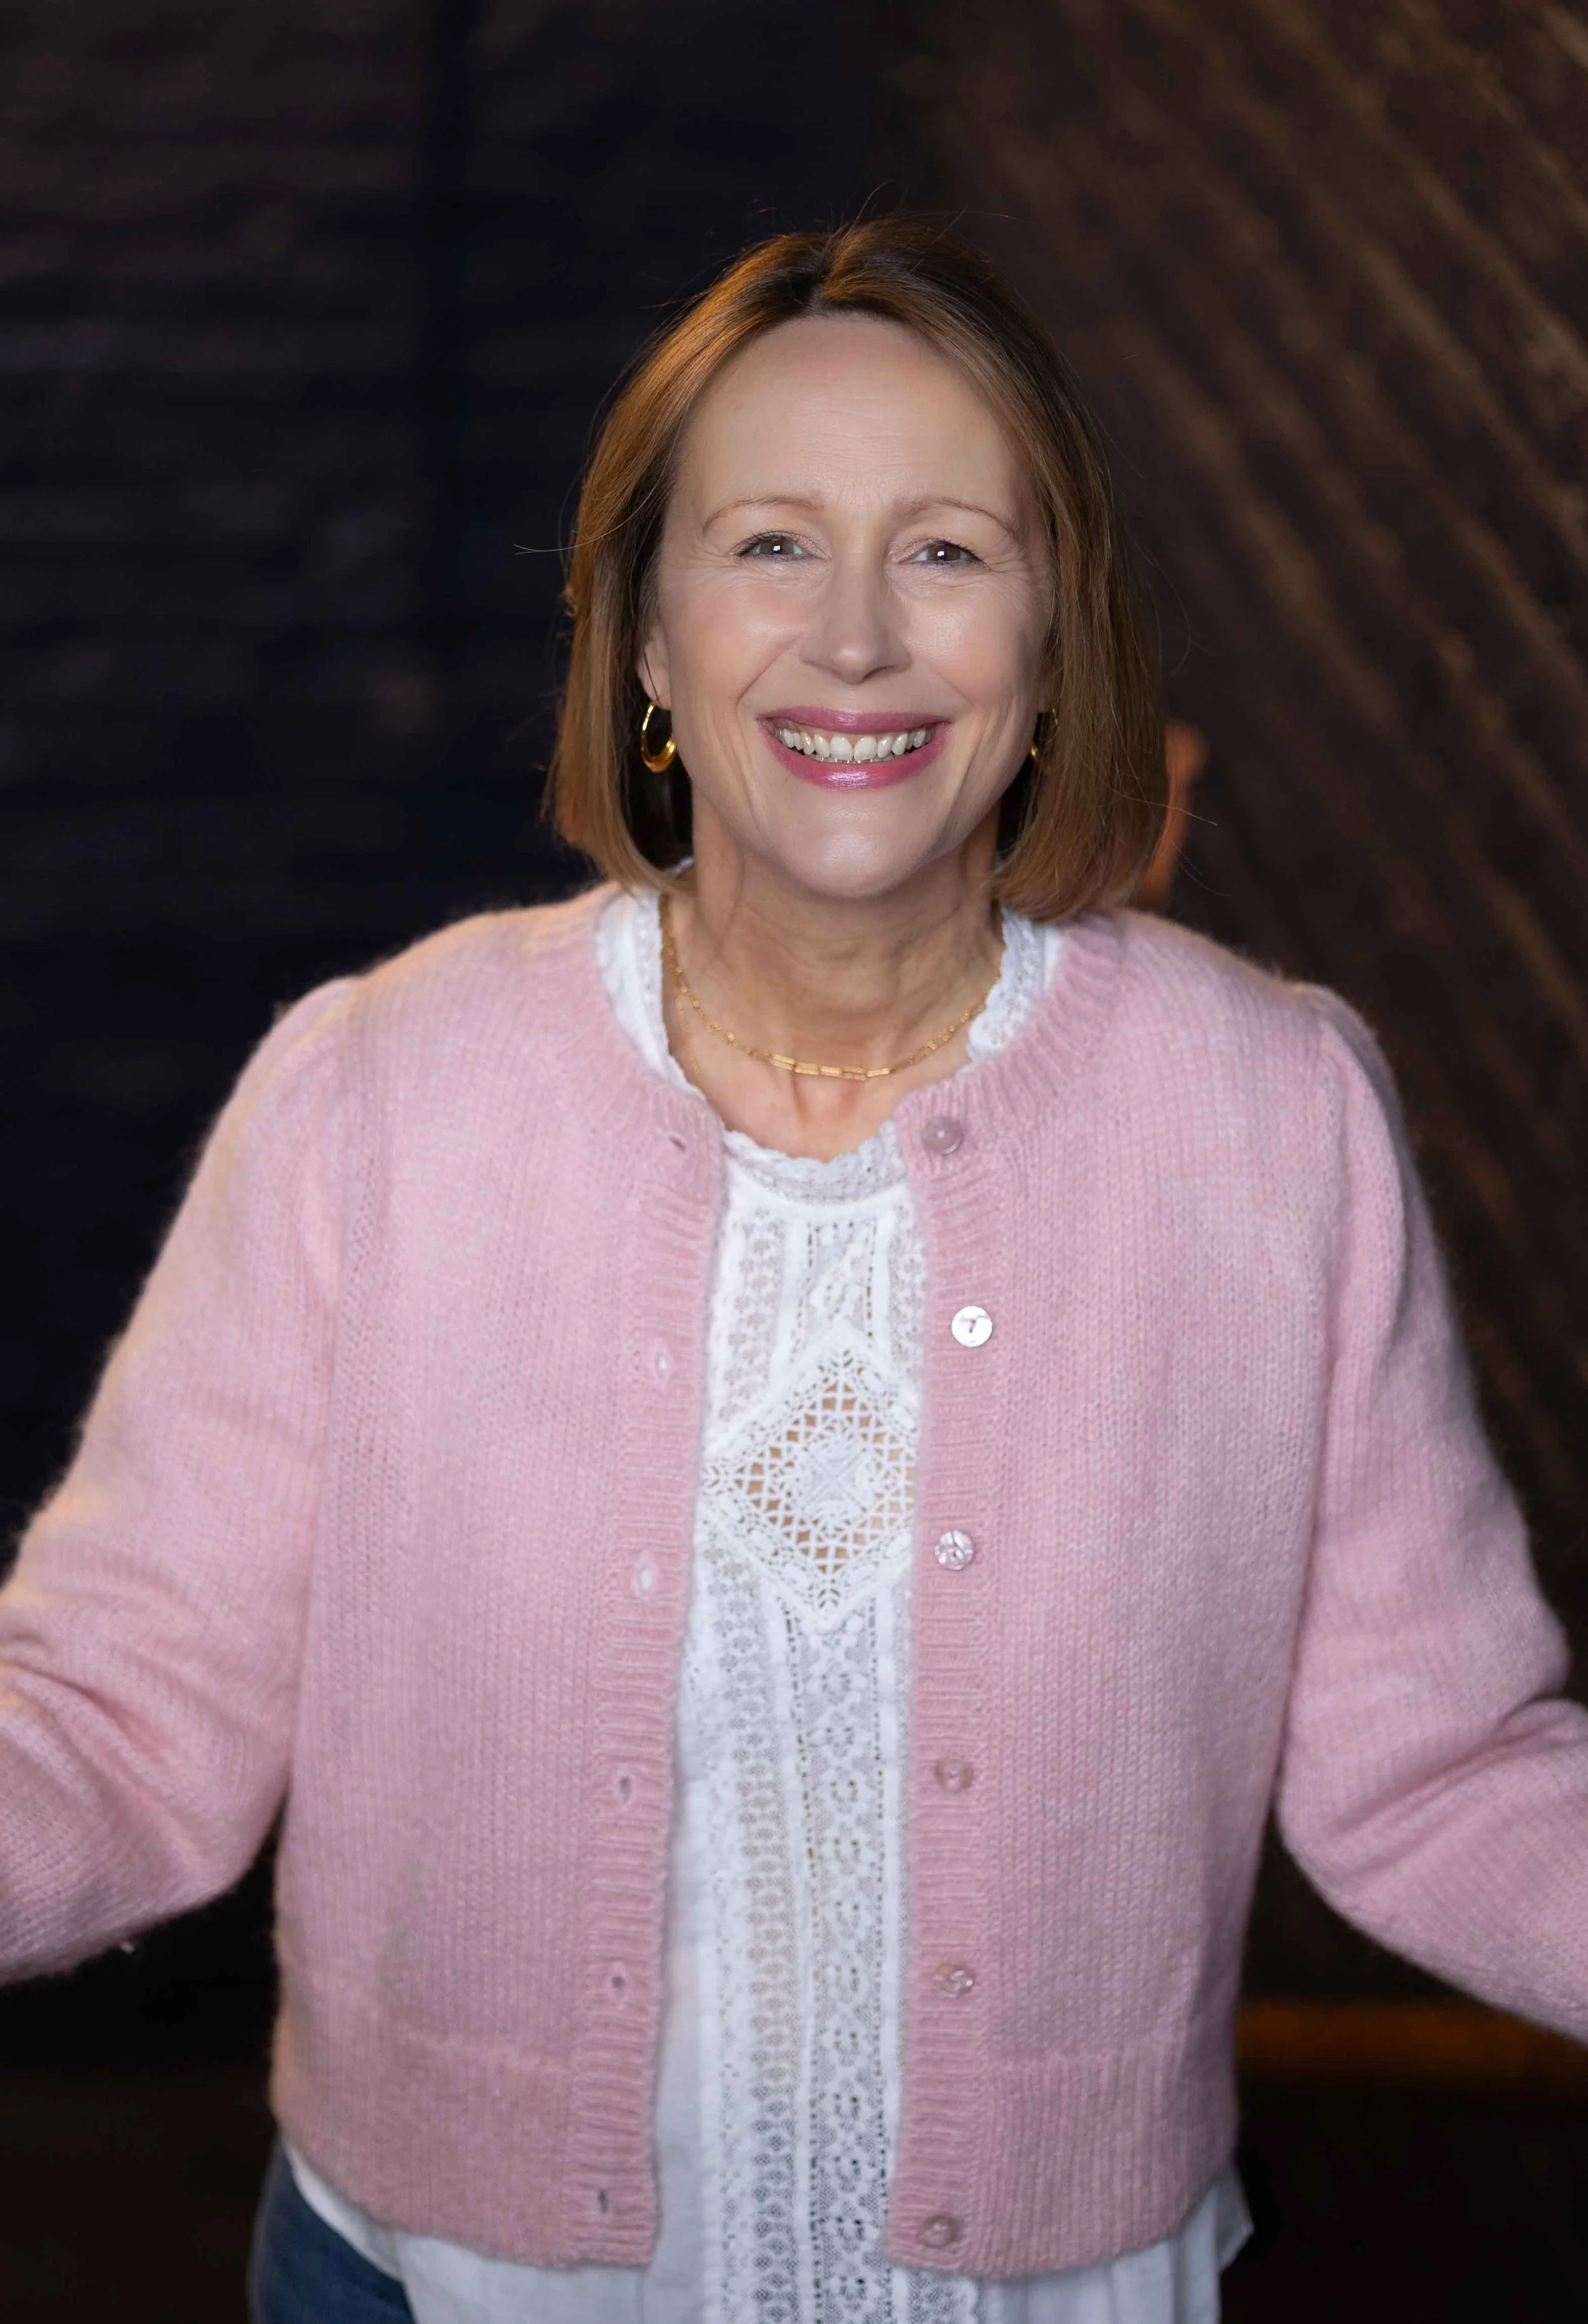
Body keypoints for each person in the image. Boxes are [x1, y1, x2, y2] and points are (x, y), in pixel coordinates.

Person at [3, 219, 1585, 2324]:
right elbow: (118, 1720)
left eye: (944, 551)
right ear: (646, 641)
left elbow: (1441, 1772)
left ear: (1053, 638)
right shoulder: (379, 1089)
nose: (854, 638)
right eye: (767, 545)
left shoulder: (1267, 1116)